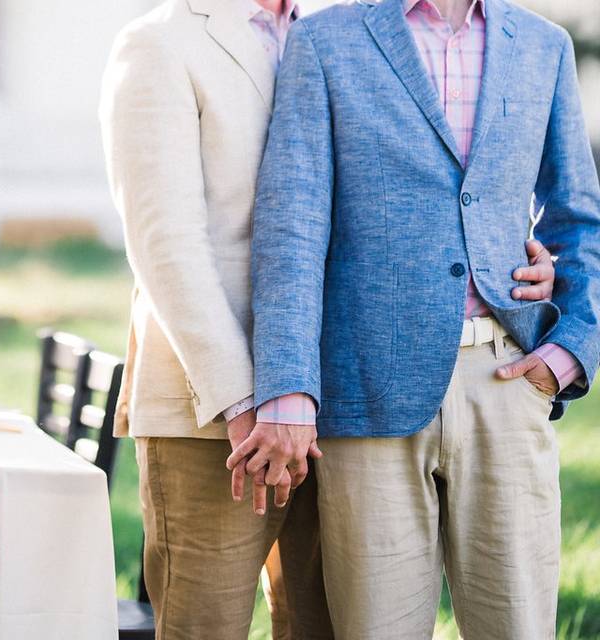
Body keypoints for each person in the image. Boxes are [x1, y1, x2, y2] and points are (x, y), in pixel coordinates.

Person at [101, 1, 560, 638]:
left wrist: (533, 260)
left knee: (320, 623)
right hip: (211, 411)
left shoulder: (333, 29)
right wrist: (248, 402)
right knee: (207, 625)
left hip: (341, 404)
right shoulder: (159, 42)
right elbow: (165, 246)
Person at [243, 0, 600, 637]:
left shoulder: (543, 46)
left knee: (518, 625)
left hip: (508, 382)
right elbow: (291, 228)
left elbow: (576, 219)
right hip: (366, 389)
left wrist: (572, 346)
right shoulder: (326, 42)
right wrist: (290, 388)